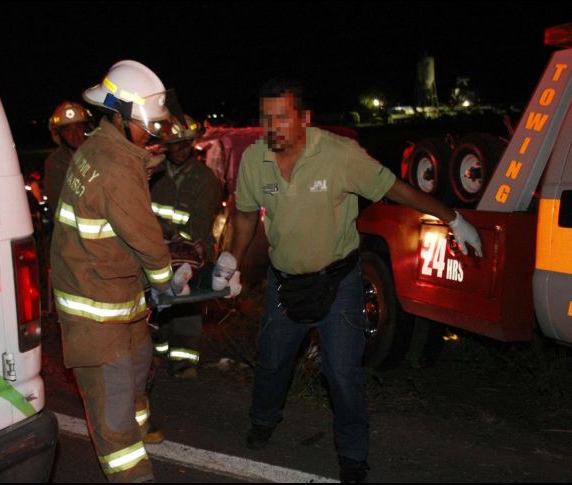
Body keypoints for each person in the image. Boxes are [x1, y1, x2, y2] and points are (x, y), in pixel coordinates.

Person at [225, 77, 482, 483]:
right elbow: (243, 214)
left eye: (282, 117)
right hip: (284, 284)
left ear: (303, 118)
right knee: (272, 364)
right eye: (266, 118)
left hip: (338, 284)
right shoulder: (255, 161)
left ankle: (352, 455)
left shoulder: (340, 155)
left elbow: (395, 189)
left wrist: (454, 218)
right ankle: (263, 420)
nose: (272, 127)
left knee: (343, 375)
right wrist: (230, 260)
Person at [50, 60, 181, 483]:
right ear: (123, 115)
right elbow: (145, 239)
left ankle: (138, 428)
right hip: (95, 311)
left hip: (118, 295)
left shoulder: (103, 147)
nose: (151, 133)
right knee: (113, 408)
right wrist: (167, 283)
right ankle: (132, 470)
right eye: (146, 124)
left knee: (138, 369)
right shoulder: (115, 166)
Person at [150, 114, 223, 379]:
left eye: (184, 143)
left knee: (186, 308)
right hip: (156, 252)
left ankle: (183, 362)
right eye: (174, 144)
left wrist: (164, 231)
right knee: (157, 304)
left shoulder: (206, 180)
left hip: (192, 254)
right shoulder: (153, 177)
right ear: (165, 146)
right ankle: (157, 352)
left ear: (193, 144)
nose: (179, 149)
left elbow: (199, 227)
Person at [44, 100, 96, 216]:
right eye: (67, 129)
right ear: (59, 134)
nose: (75, 134)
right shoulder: (55, 163)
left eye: (79, 127)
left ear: (88, 128)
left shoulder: (102, 153)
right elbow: (58, 207)